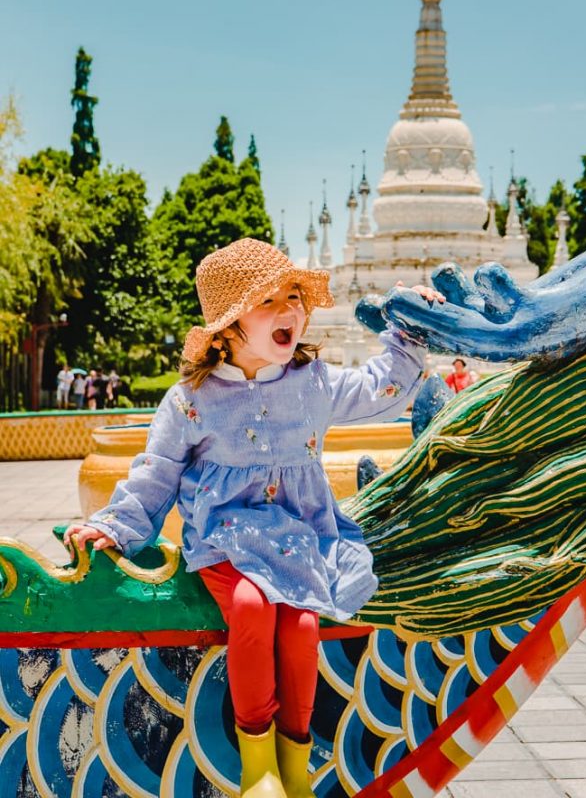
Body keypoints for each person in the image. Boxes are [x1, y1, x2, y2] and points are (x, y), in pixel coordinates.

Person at [63, 238, 444, 798]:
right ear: (228, 326)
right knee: (249, 607)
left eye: (294, 296)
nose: (289, 309)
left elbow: (379, 389)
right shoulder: (191, 398)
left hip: (300, 535)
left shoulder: (312, 383)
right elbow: (157, 472)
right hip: (226, 537)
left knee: (304, 624)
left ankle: (294, 760)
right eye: (269, 301)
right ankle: (257, 760)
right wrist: (115, 525)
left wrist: (410, 331)